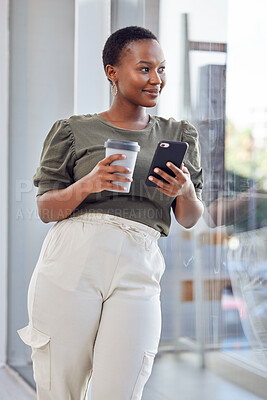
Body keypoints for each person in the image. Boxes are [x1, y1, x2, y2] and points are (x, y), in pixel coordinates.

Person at [17, 26, 204, 400]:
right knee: (60, 388)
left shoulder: (179, 134)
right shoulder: (72, 130)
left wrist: (183, 190)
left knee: (122, 389)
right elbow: (45, 208)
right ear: (112, 72)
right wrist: (89, 182)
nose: (157, 80)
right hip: (73, 259)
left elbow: (189, 217)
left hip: (140, 262)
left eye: (162, 69)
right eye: (145, 68)